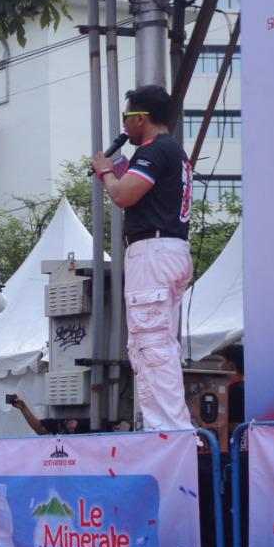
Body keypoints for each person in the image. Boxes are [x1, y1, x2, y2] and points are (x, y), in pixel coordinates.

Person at [92, 84, 194, 432]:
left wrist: (106, 171)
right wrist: (118, 167)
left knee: (150, 345)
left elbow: (123, 195)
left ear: (140, 117)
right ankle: (169, 428)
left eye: (127, 117)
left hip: (153, 251)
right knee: (157, 342)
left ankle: (168, 432)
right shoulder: (171, 152)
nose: (125, 125)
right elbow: (138, 190)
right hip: (168, 250)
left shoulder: (154, 151)